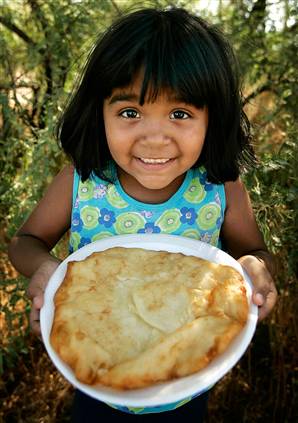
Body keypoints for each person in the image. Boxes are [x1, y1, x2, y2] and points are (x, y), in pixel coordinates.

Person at [8, 7, 278, 422]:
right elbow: (24, 243)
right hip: (95, 382)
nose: (154, 138)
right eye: (130, 113)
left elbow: (255, 251)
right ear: (99, 112)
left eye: (180, 114)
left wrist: (254, 268)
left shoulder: (220, 189)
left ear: (213, 119)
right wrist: (46, 269)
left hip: (188, 382)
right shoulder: (81, 183)